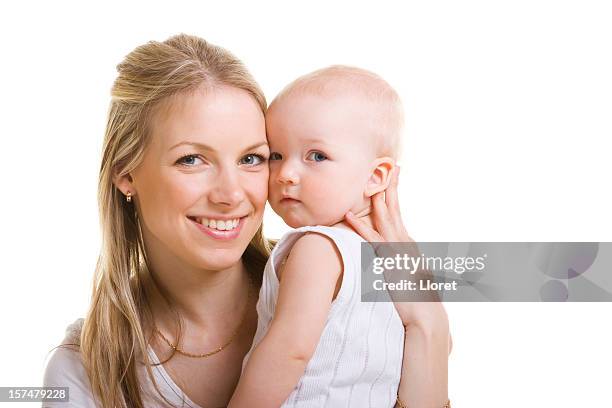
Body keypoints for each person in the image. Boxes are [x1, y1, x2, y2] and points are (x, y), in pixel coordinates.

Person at [43, 34, 450, 408]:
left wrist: (426, 317)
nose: (232, 194)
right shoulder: (81, 372)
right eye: (192, 159)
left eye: (251, 158)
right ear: (126, 173)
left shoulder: (348, 284)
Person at [228, 66, 449, 408]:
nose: (286, 174)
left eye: (316, 156)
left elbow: (289, 351)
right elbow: (435, 347)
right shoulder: (391, 261)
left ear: (376, 176)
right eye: (276, 155)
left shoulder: (317, 247)